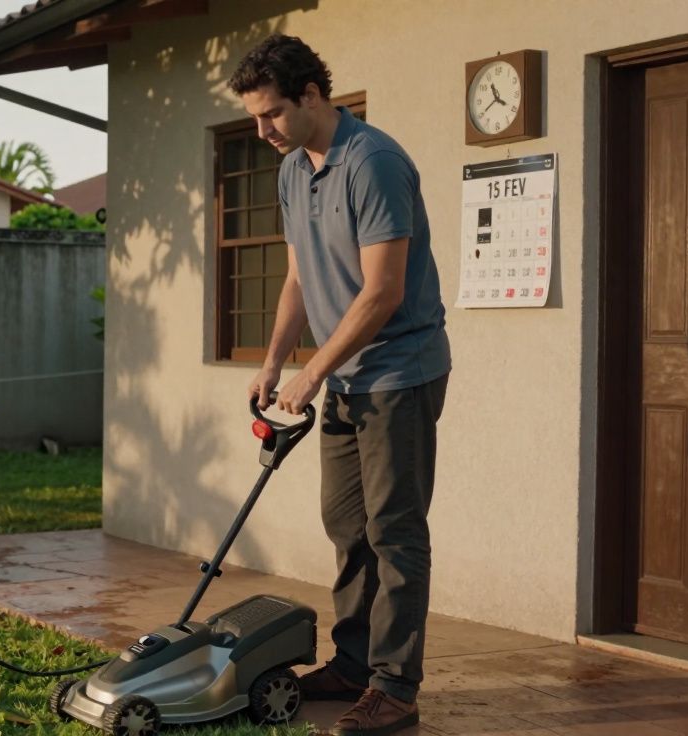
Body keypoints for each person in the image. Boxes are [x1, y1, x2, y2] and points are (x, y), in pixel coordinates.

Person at [231, 35, 452, 736]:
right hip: (343, 376)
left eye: (271, 115)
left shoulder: (374, 161)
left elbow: (382, 293)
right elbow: (298, 277)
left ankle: (394, 685)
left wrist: (313, 370)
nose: (261, 131)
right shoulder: (294, 170)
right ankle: (354, 664)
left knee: (394, 530)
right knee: (347, 526)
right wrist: (272, 363)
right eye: (255, 119)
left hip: (398, 371)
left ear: (312, 96)